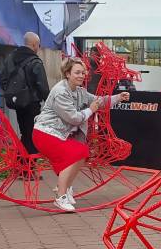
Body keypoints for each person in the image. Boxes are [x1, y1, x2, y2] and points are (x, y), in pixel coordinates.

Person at [32, 57, 129, 212]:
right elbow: (74, 118)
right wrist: (91, 110)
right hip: (45, 133)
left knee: (82, 152)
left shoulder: (79, 91)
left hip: (59, 134)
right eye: (77, 72)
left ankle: (65, 188)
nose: (81, 75)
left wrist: (118, 97)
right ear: (67, 74)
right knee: (75, 154)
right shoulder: (60, 92)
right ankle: (61, 196)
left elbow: (99, 101)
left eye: (83, 73)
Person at [0, 32, 49, 156]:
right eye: (38, 45)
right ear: (34, 44)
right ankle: (28, 165)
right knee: (33, 134)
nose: (38, 48)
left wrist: (13, 92)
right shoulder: (35, 61)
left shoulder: (11, 58)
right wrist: (49, 101)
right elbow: (42, 85)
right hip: (32, 104)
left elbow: (2, 79)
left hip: (18, 103)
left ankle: (22, 161)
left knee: (24, 133)